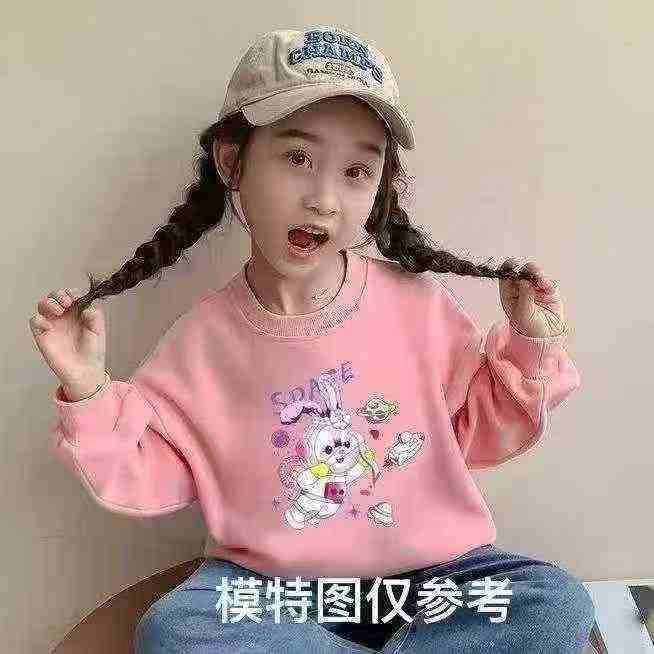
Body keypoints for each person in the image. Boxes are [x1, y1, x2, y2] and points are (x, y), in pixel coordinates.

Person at [28, 24, 595, 653]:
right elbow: (148, 471)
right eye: (298, 159)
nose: (324, 200)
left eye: (357, 171)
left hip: (429, 585)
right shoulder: (202, 343)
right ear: (232, 162)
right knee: (179, 630)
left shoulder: (418, 306)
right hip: (274, 596)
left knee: (554, 602)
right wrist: (88, 388)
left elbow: (482, 429)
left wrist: (528, 341)